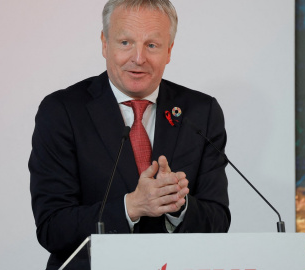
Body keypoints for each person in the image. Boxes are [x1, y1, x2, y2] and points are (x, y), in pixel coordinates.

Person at [29, 0, 230, 269]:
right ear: (104, 43)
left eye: (152, 45)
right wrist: (131, 206)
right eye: (125, 42)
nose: (138, 58)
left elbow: (218, 221)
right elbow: (53, 227)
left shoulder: (201, 112)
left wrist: (178, 206)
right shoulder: (62, 112)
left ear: (169, 51)